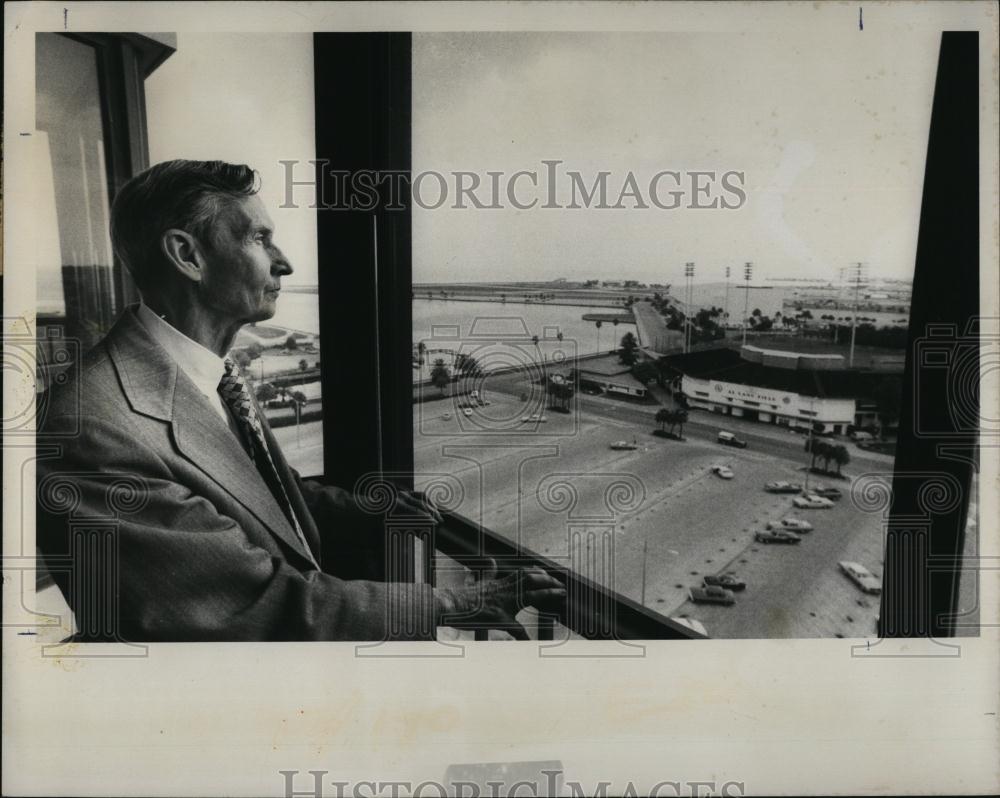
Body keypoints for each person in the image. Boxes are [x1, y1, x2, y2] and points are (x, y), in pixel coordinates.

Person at [35, 159, 564, 642]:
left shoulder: (204, 374)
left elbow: (256, 498)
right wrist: (454, 602)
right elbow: (258, 602)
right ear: (187, 255)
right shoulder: (95, 428)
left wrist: (364, 511)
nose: (283, 262)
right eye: (260, 238)